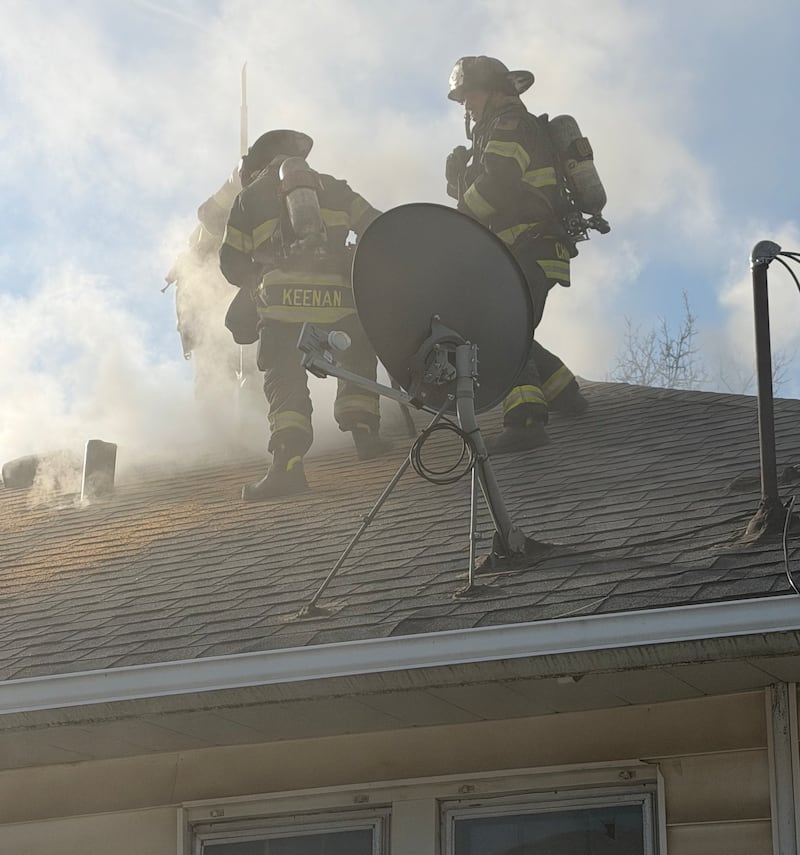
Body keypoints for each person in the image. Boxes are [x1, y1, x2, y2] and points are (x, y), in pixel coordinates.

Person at [219, 129, 390, 501]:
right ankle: (365, 434)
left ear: (259, 164)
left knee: (285, 380)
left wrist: (257, 276)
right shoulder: (335, 188)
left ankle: (288, 465)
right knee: (355, 357)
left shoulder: (248, 198)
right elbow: (379, 228)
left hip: (282, 308)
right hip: (339, 302)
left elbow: (230, 263)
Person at [445, 55, 589, 454]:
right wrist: (458, 179)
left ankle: (526, 421)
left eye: (470, 95)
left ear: (494, 91)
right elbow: (493, 184)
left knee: (499, 328)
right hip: (529, 248)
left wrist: (457, 219)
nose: (466, 106)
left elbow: (499, 183)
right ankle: (563, 392)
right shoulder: (495, 132)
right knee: (515, 325)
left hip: (530, 244)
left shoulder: (510, 124)